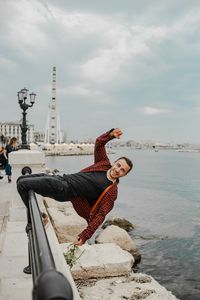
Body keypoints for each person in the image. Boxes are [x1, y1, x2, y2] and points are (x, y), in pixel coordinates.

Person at [17, 128, 133, 246]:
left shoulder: (112, 192)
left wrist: (85, 236)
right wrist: (111, 135)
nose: (118, 170)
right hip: (61, 179)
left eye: (122, 170)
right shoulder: (103, 164)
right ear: (114, 162)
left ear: (125, 174)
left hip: (64, 190)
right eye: (118, 165)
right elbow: (99, 143)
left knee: (23, 185)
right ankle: (41, 217)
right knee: (21, 180)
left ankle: (38, 219)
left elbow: (100, 215)